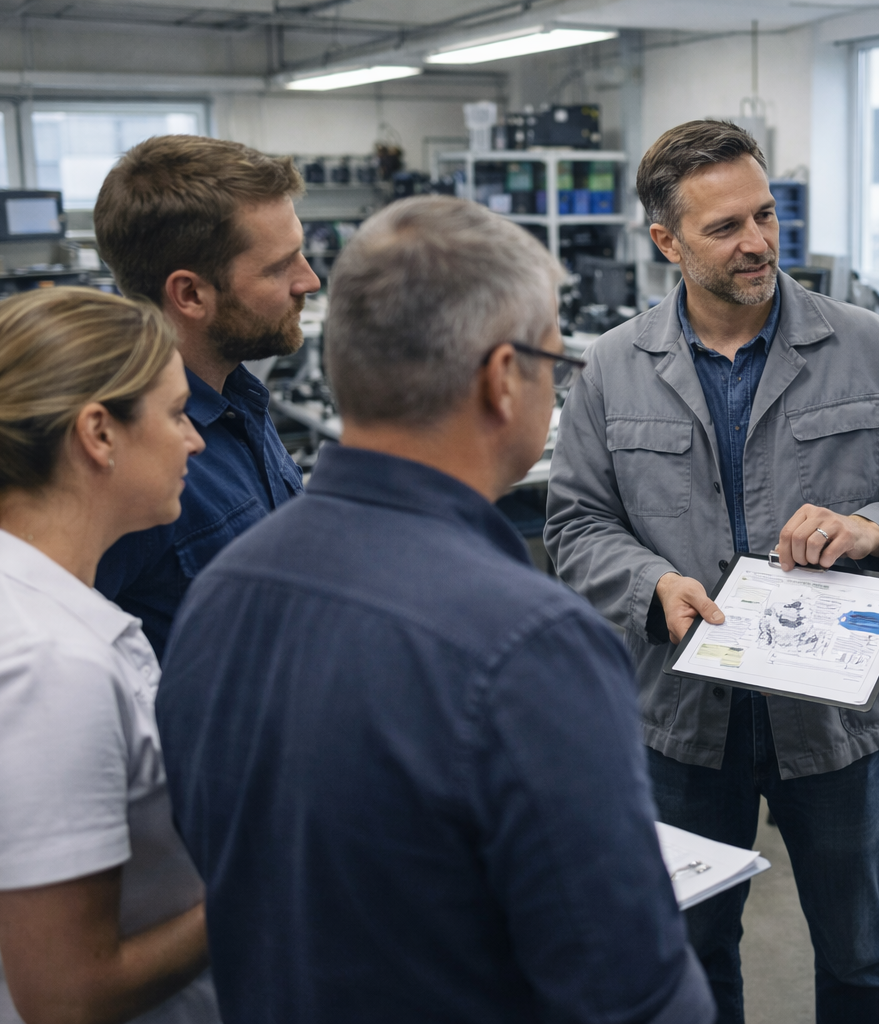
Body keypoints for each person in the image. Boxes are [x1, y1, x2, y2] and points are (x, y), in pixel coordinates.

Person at [156, 197, 715, 1024]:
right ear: (501, 379)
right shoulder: (532, 648)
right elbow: (633, 995)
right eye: (555, 362)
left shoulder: (222, 590)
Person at [545, 120, 879, 1024]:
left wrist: (870, 526)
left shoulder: (866, 345)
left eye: (766, 216)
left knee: (859, 950)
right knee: (695, 951)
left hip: (836, 719)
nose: (758, 244)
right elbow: (577, 523)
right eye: (725, 227)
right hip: (683, 717)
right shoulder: (613, 370)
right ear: (665, 241)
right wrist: (650, 587)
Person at [0, 289, 214, 1024]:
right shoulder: (40, 665)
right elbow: (67, 995)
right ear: (99, 433)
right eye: (177, 413)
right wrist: (261, 881)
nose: (197, 442)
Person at [93, 135, 321, 657]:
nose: (308, 280)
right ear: (191, 294)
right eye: (278, 266)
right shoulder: (121, 460)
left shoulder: (237, 394)